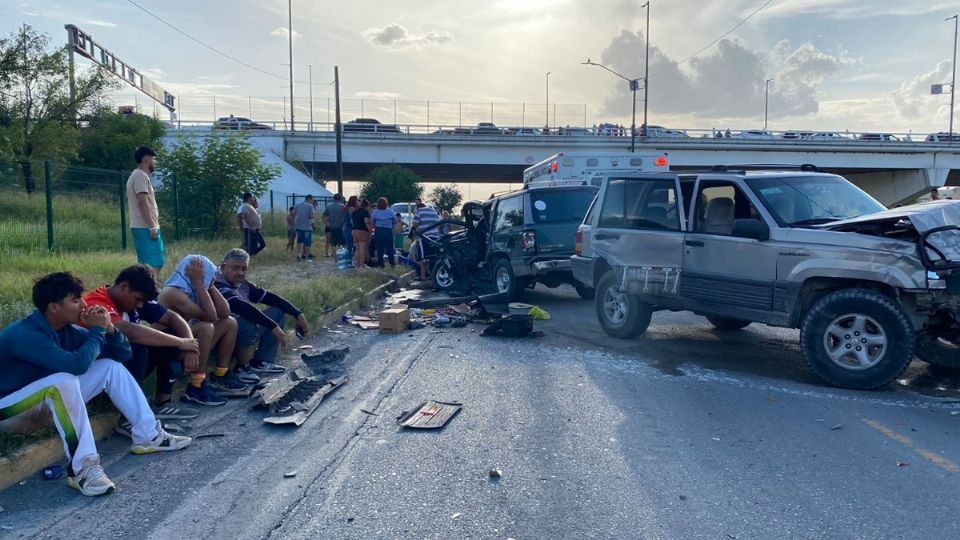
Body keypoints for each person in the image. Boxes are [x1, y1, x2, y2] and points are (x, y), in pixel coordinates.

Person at [0, 273, 191, 496]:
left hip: (41, 406)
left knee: (109, 366)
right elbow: (77, 366)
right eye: (74, 300)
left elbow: (123, 354)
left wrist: (109, 329)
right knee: (63, 380)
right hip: (9, 412)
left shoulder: (67, 331)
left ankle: (149, 435)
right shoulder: (25, 334)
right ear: (53, 307)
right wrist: (97, 331)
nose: (83, 304)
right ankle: (83, 469)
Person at [82, 265, 200, 420]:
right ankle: (129, 418)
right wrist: (180, 342)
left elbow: (173, 318)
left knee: (169, 336)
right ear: (124, 287)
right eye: (138, 299)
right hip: (99, 380)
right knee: (138, 344)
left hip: (123, 370)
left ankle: (162, 403)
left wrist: (189, 346)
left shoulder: (133, 300)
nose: (139, 305)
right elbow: (129, 332)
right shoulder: (97, 303)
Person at [157, 255, 243, 405]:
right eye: (207, 276)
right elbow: (210, 316)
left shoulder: (193, 290)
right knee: (205, 327)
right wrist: (198, 283)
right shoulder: (172, 292)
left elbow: (224, 313)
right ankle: (196, 386)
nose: (210, 279)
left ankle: (221, 374)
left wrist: (210, 287)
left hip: (183, 341)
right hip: (165, 346)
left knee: (229, 323)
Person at [215, 249, 309, 374]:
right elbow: (239, 307)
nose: (240, 273)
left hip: (239, 333)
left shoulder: (242, 283)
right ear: (223, 267)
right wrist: (273, 326)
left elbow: (270, 298)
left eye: (244, 269)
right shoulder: (217, 283)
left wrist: (297, 314)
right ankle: (242, 367)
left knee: (277, 312)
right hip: (219, 338)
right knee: (247, 321)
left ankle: (262, 362)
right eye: (235, 268)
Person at [126, 146, 164, 271]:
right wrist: (152, 226)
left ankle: (145, 289)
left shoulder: (138, 175)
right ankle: (152, 289)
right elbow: (143, 202)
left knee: (145, 265)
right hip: (145, 226)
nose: (155, 162)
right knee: (153, 264)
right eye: (154, 159)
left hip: (143, 226)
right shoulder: (140, 176)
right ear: (146, 160)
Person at [410, 201, 440, 280]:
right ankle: (434, 276)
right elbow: (437, 223)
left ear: (418, 207)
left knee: (423, 258)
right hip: (435, 237)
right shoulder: (433, 211)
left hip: (424, 237)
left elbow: (415, 225)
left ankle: (423, 277)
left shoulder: (419, 211)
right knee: (433, 257)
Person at [370, 197, 398, 268]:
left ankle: (381, 264)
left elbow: (372, 221)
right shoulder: (390, 211)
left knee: (380, 248)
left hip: (379, 231)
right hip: (388, 231)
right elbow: (395, 221)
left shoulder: (375, 211)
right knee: (390, 248)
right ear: (386, 203)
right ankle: (392, 264)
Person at [351, 199, 373, 268]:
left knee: (357, 249)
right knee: (363, 249)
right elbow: (367, 223)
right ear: (366, 206)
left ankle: (357, 264)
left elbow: (352, 222)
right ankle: (362, 264)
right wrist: (370, 232)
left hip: (354, 231)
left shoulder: (354, 212)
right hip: (363, 232)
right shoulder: (365, 212)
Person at [294, 195, 316, 261]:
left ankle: (299, 254)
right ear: (309, 199)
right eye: (312, 200)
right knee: (307, 242)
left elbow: (294, 213)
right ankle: (305, 255)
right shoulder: (310, 206)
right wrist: (313, 224)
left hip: (298, 226)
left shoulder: (297, 205)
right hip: (307, 227)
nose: (312, 201)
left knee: (299, 241)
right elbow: (312, 216)